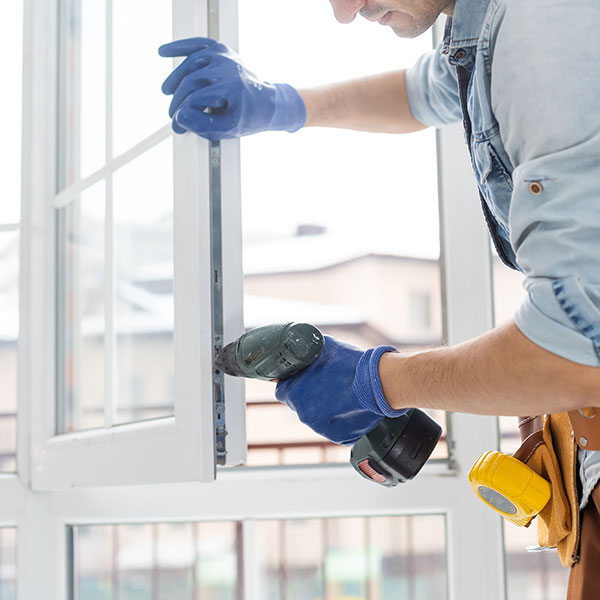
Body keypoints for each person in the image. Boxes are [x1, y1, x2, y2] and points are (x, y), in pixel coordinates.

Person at [159, 0, 600, 595]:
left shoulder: (546, 31)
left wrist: (378, 381)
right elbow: (427, 91)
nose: (345, 12)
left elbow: (575, 356)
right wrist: (280, 104)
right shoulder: (487, 24)